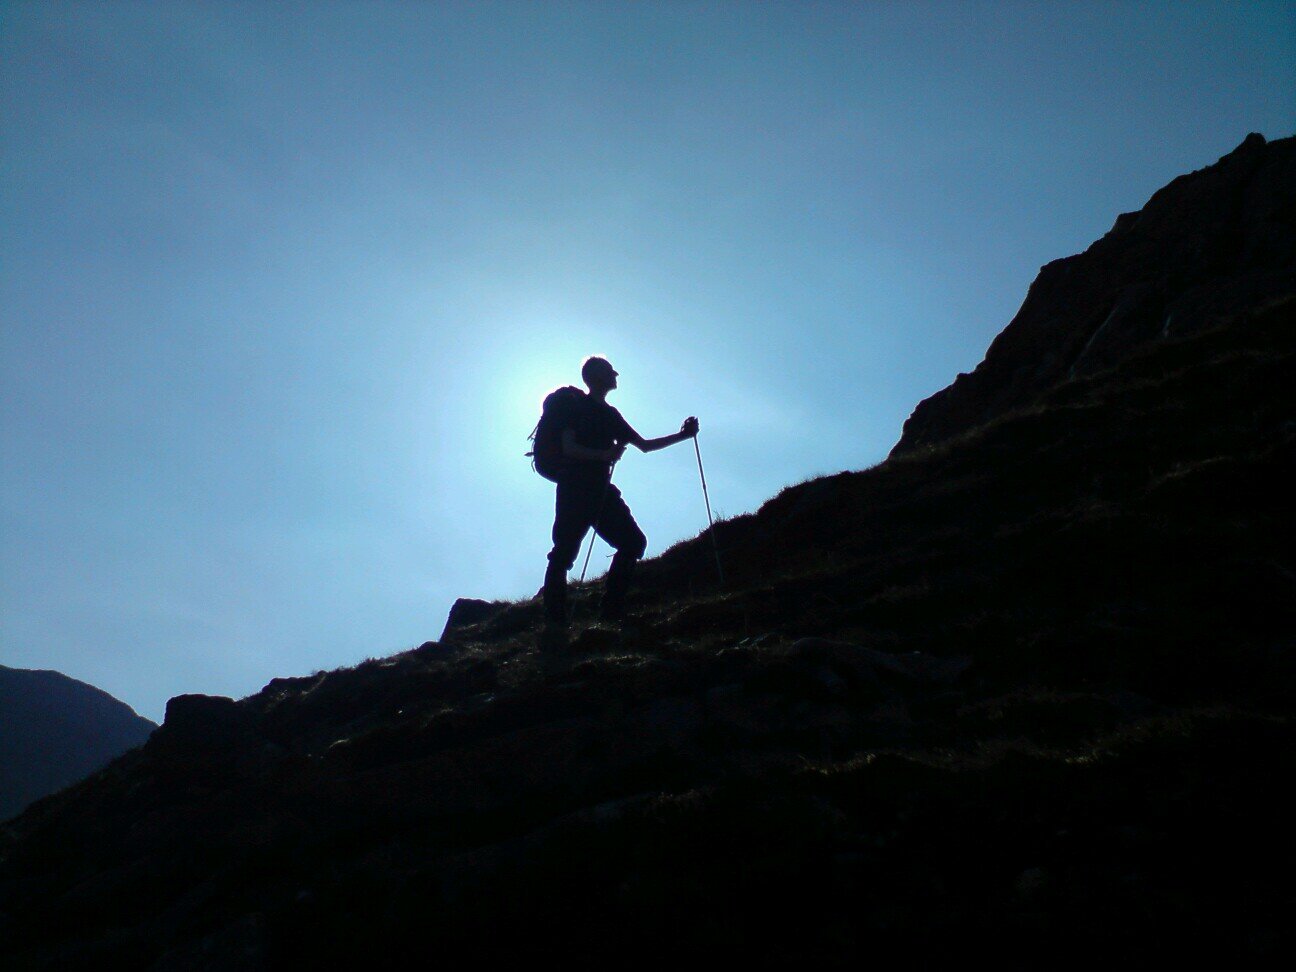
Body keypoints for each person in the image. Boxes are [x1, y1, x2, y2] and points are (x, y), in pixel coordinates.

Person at [542, 356, 697, 641]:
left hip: (591, 488)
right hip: (579, 485)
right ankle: (563, 620)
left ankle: (598, 614)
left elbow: (644, 446)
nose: (616, 375)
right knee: (568, 552)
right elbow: (569, 447)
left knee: (620, 544)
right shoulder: (578, 408)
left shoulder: (608, 414)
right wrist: (604, 456)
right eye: (610, 371)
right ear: (597, 376)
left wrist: (684, 436)